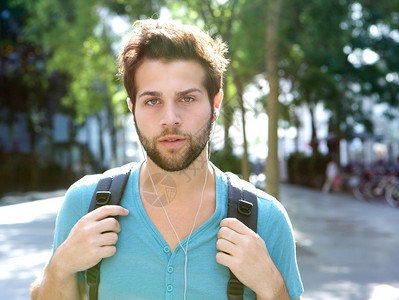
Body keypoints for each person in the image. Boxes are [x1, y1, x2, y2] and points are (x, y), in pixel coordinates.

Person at [30, 19, 303, 300]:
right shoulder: (85, 205)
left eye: (187, 99)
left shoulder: (265, 219)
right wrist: (59, 267)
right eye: (152, 101)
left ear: (215, 104)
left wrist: (274, 287)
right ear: (132, 107)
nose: (170, 118)